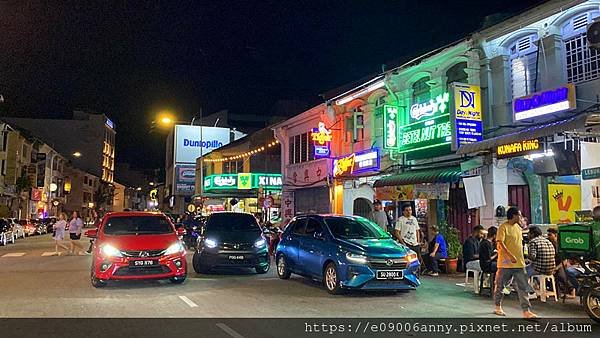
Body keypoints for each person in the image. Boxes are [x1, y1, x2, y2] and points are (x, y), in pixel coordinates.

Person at [494, 207, 537, 318]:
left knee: (523, 287)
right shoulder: (503, 227)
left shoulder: (518, 228)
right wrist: (510, 255)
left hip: (519, 263)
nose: (521, 217)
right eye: (519, 215)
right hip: (505, 264)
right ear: (513, 215)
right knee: (501, 286)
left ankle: (526, 311)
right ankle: (498, 306)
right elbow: (500, 243)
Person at [525, 226, 556, 299]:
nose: (528, 235)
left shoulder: (533, 242)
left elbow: (533, 257)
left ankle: (531, 292)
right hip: (550, 269)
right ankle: (542, 290)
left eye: (529, 233)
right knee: (530, 268)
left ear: (532, 234)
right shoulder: (547, 241)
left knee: (520, 273)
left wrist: (526, 255)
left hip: (539, 269)